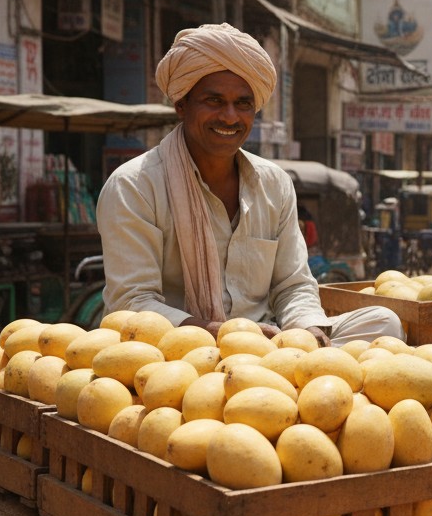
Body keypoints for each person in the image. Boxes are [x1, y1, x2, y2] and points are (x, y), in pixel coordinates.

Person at [97, 23, 400, 346]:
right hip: (181, 350)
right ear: (181, 105)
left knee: (383, 322)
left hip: (267, 341)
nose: (230, 117)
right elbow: (132, 302)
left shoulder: (274, 183)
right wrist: (224, 334)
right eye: (214, 101)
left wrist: (308, 329)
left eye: (243, 104)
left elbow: (293, 285)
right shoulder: (134, 186)